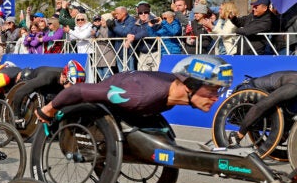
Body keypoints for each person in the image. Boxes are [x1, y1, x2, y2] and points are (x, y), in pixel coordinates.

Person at [36, 55, 233, 125]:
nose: (216, 98)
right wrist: (47, 110)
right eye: (212, 90)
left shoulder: (172, 94)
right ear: (190, 86)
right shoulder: (139, 96)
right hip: (124, 88)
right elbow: (78, 90)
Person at [226, 71, 297, 146]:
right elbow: (261, 106)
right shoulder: (293, 87)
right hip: (248, 91)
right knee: (268, 105)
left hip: (269, 97)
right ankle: (236, 136)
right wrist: (240, 134)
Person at [10, 60, 86, 128]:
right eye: (72, 84)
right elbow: (19, 92)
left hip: (53, 86)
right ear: (64, 76)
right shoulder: (47, 78)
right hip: (32, 78)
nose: (74, 88)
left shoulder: (65, 80)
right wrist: (17, 116)